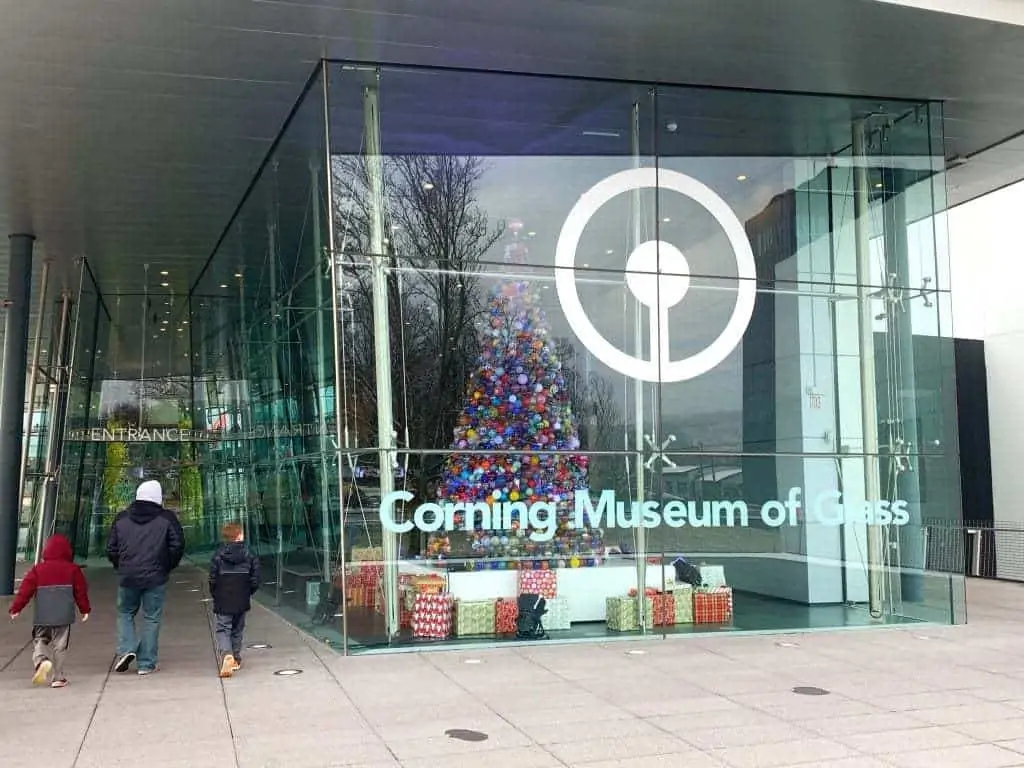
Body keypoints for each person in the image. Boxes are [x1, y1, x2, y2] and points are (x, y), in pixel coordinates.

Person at [107, 480, 184, 675]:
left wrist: (120, 566)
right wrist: (167, 566)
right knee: (151, 618)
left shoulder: (121, 518)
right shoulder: (167, 518)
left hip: (128, 576)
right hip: (156, 577)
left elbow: (111, 548)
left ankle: (127, 649)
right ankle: (146, 664)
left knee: (125, 613)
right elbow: (177, 546)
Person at [8, 533, 91, 688]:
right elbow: (81, 591)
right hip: (63, 615)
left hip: (43, 613)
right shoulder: (73, 570)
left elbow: (25, 590)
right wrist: (84, 609)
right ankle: (58, 677)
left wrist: (16, 608)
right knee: (60, 645)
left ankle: (41, 660)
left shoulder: (38, 569)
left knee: (40, 639)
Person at [208, 522, 259, 678]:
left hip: (223, 599)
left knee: (223, 628)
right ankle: (235, 658)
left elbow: (213, 579)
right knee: (237, 629)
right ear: (239, 535)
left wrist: (216, 594)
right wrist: (247, 592)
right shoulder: (249, 555)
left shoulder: (218, 556)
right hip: (241, 598)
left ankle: (226, 655)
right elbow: (255, 579)